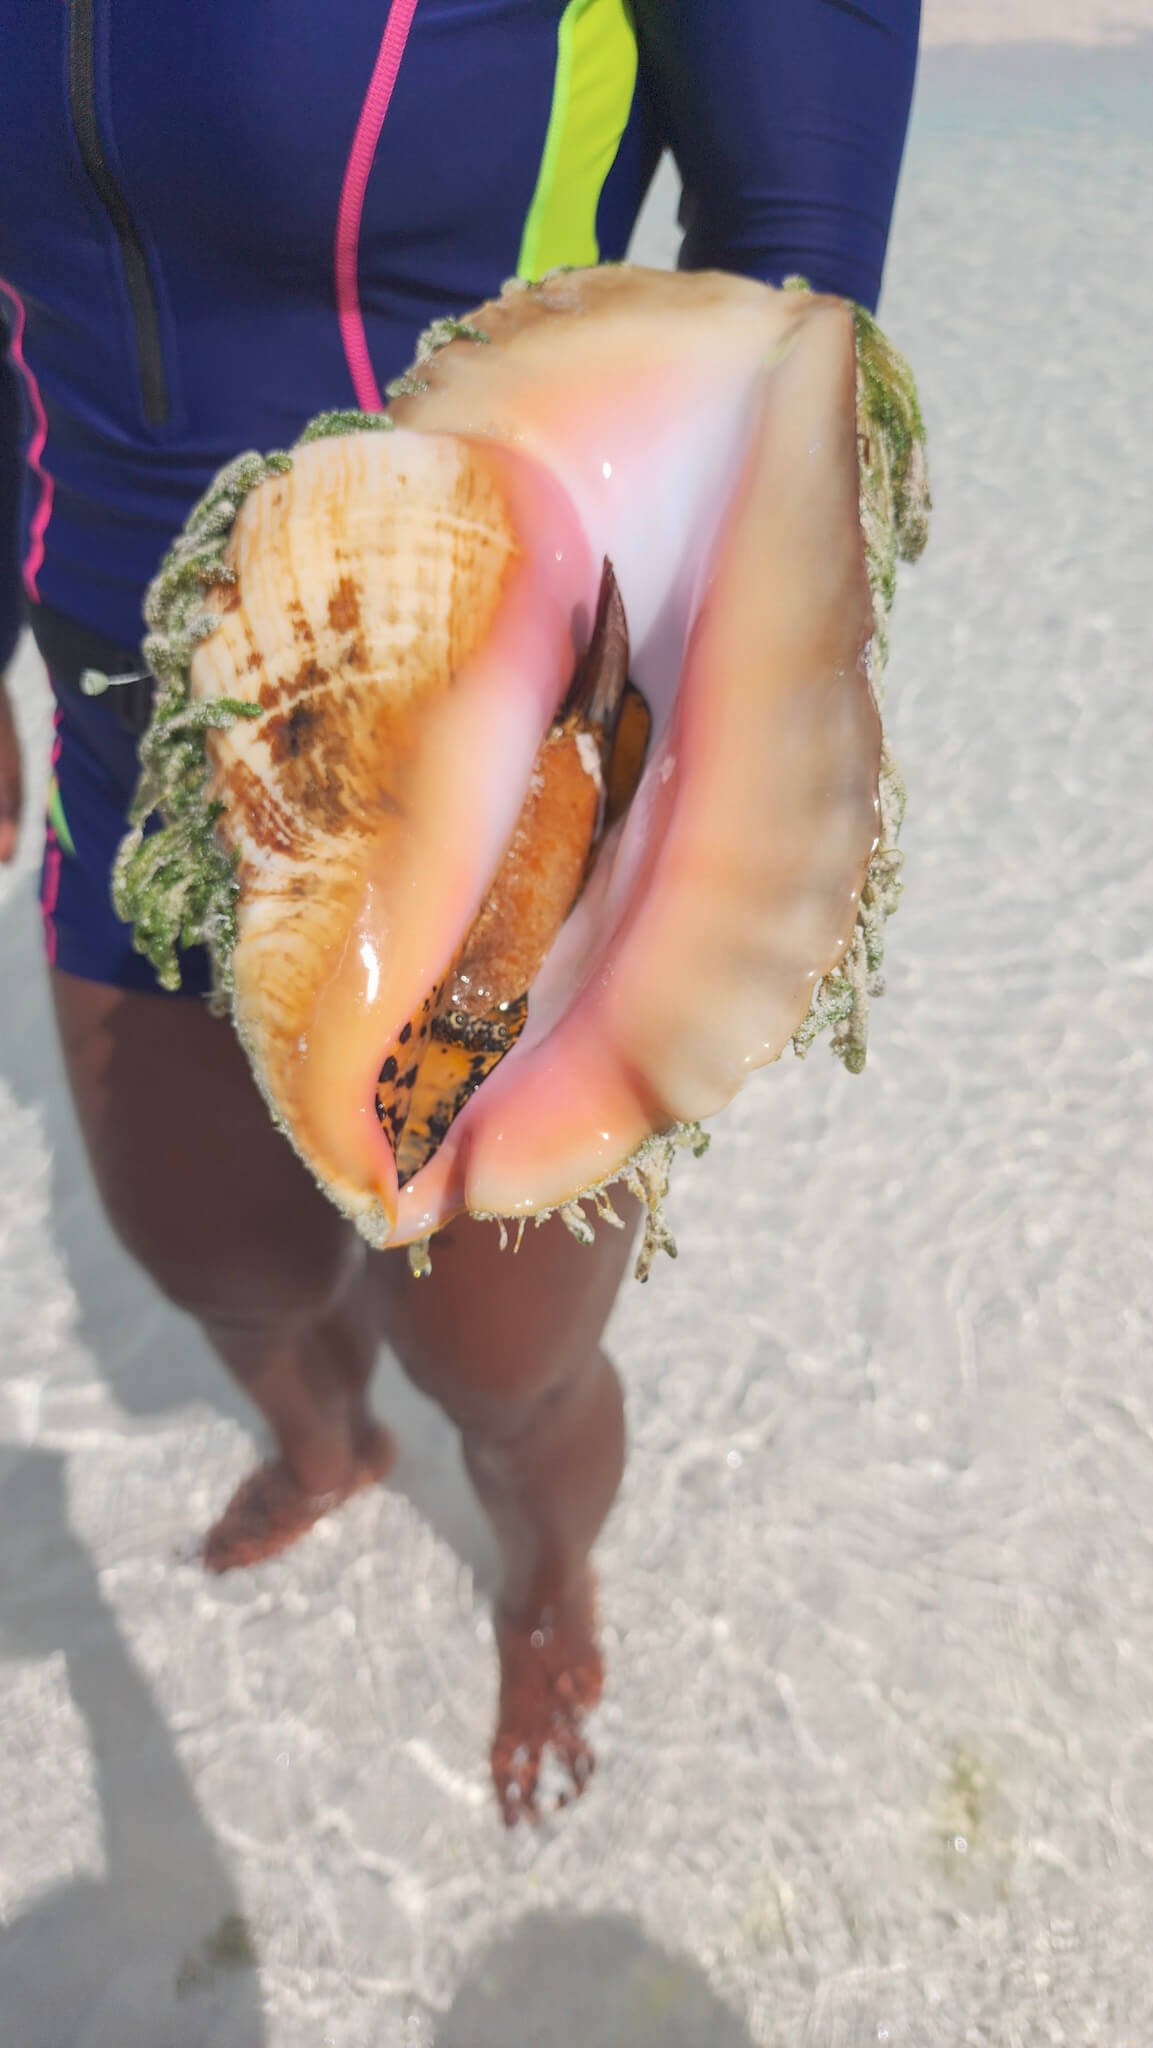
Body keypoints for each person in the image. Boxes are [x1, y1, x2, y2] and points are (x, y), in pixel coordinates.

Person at [0, 0, 920, 1823]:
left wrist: (666, 769)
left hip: (504, 762)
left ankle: (542, 1571)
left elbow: (796, 279)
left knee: (503, 1350)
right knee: (213, 1255)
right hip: (117, 694)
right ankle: (328, 1449)